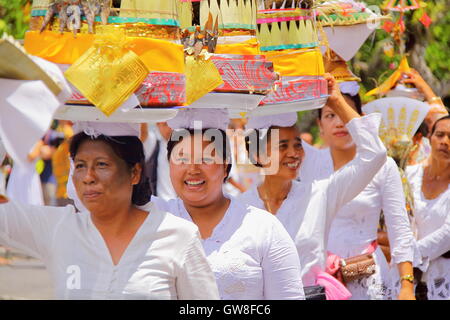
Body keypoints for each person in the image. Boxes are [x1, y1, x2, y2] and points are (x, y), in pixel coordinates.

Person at [0, 122, 219, 300]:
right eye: (80, 166)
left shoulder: (177, 235)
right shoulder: (59, 227)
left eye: (102, 164)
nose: (88, 177)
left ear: (134, 173)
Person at [238, 74, 387, 299]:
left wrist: (336, 100)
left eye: (298, 145)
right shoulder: (240, 207)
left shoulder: (319, 194)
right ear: (258, 154)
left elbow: (375, 154)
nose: (294, 153)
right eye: (282, 145)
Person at [152, 109, 305, 300]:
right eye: (181, 158)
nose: (192, 169)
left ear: (225, 165)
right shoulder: (153, 218)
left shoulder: (263, 227)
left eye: (206, 159)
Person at [309, 84, 418, 300]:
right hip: (318, 279)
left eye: (344, 114)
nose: (340, 123)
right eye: (330, 115)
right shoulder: (308, 164)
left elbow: (400, 229)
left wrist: (406, 285)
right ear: (319, 124)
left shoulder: (383, 165)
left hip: (368, 278)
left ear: (360, 119)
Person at [406, 115, 450, 300]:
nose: (446, 142)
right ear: (429, 137)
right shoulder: (409, 175)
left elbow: (447, 234)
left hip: (443, 280)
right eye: (440, 135)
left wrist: (407, 255)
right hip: (406, 281)